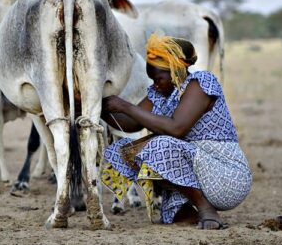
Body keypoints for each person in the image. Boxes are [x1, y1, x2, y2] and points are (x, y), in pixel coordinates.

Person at [100, 33, 251, 230]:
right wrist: (96, 106)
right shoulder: (161, 92)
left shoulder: (201, 83)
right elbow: (130, 124)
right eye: (152, 79)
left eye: (158, 78)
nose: (154, 83)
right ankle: (187, 210)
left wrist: (125, 106)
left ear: (175, 70)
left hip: (225, 175)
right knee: (126, 151)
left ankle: (205, 208)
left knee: (159, 144)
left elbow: (176, 128)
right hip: (196, 168)